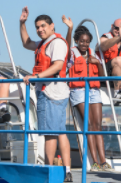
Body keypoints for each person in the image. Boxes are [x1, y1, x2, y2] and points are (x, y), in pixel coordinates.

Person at [19, 7, 73, 182]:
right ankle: (67, 171)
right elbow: (26, 43)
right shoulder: (44, 43)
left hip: (52, 92)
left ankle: (50, 170)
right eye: (37, 27)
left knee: (51, 133)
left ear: (52, 26)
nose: (40, 29)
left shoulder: (56, 42)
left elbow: (57, 66)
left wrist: (36, 76)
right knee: (59, 131)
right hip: (49, 91)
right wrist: (22, 23)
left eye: (43, 26)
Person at [62, 16, 114, 172]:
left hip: (93, 91)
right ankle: (95, 162)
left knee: (98, 125)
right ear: (77, 41)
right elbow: (66, 44)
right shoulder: (71, 53)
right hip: (78, 91)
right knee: (89, 125)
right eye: (81, 41)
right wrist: (69, 28)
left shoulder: (94, 55)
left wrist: (97, 63)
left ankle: (104, 162)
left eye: (87, 41)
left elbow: (103, 75)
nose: (84, 44)